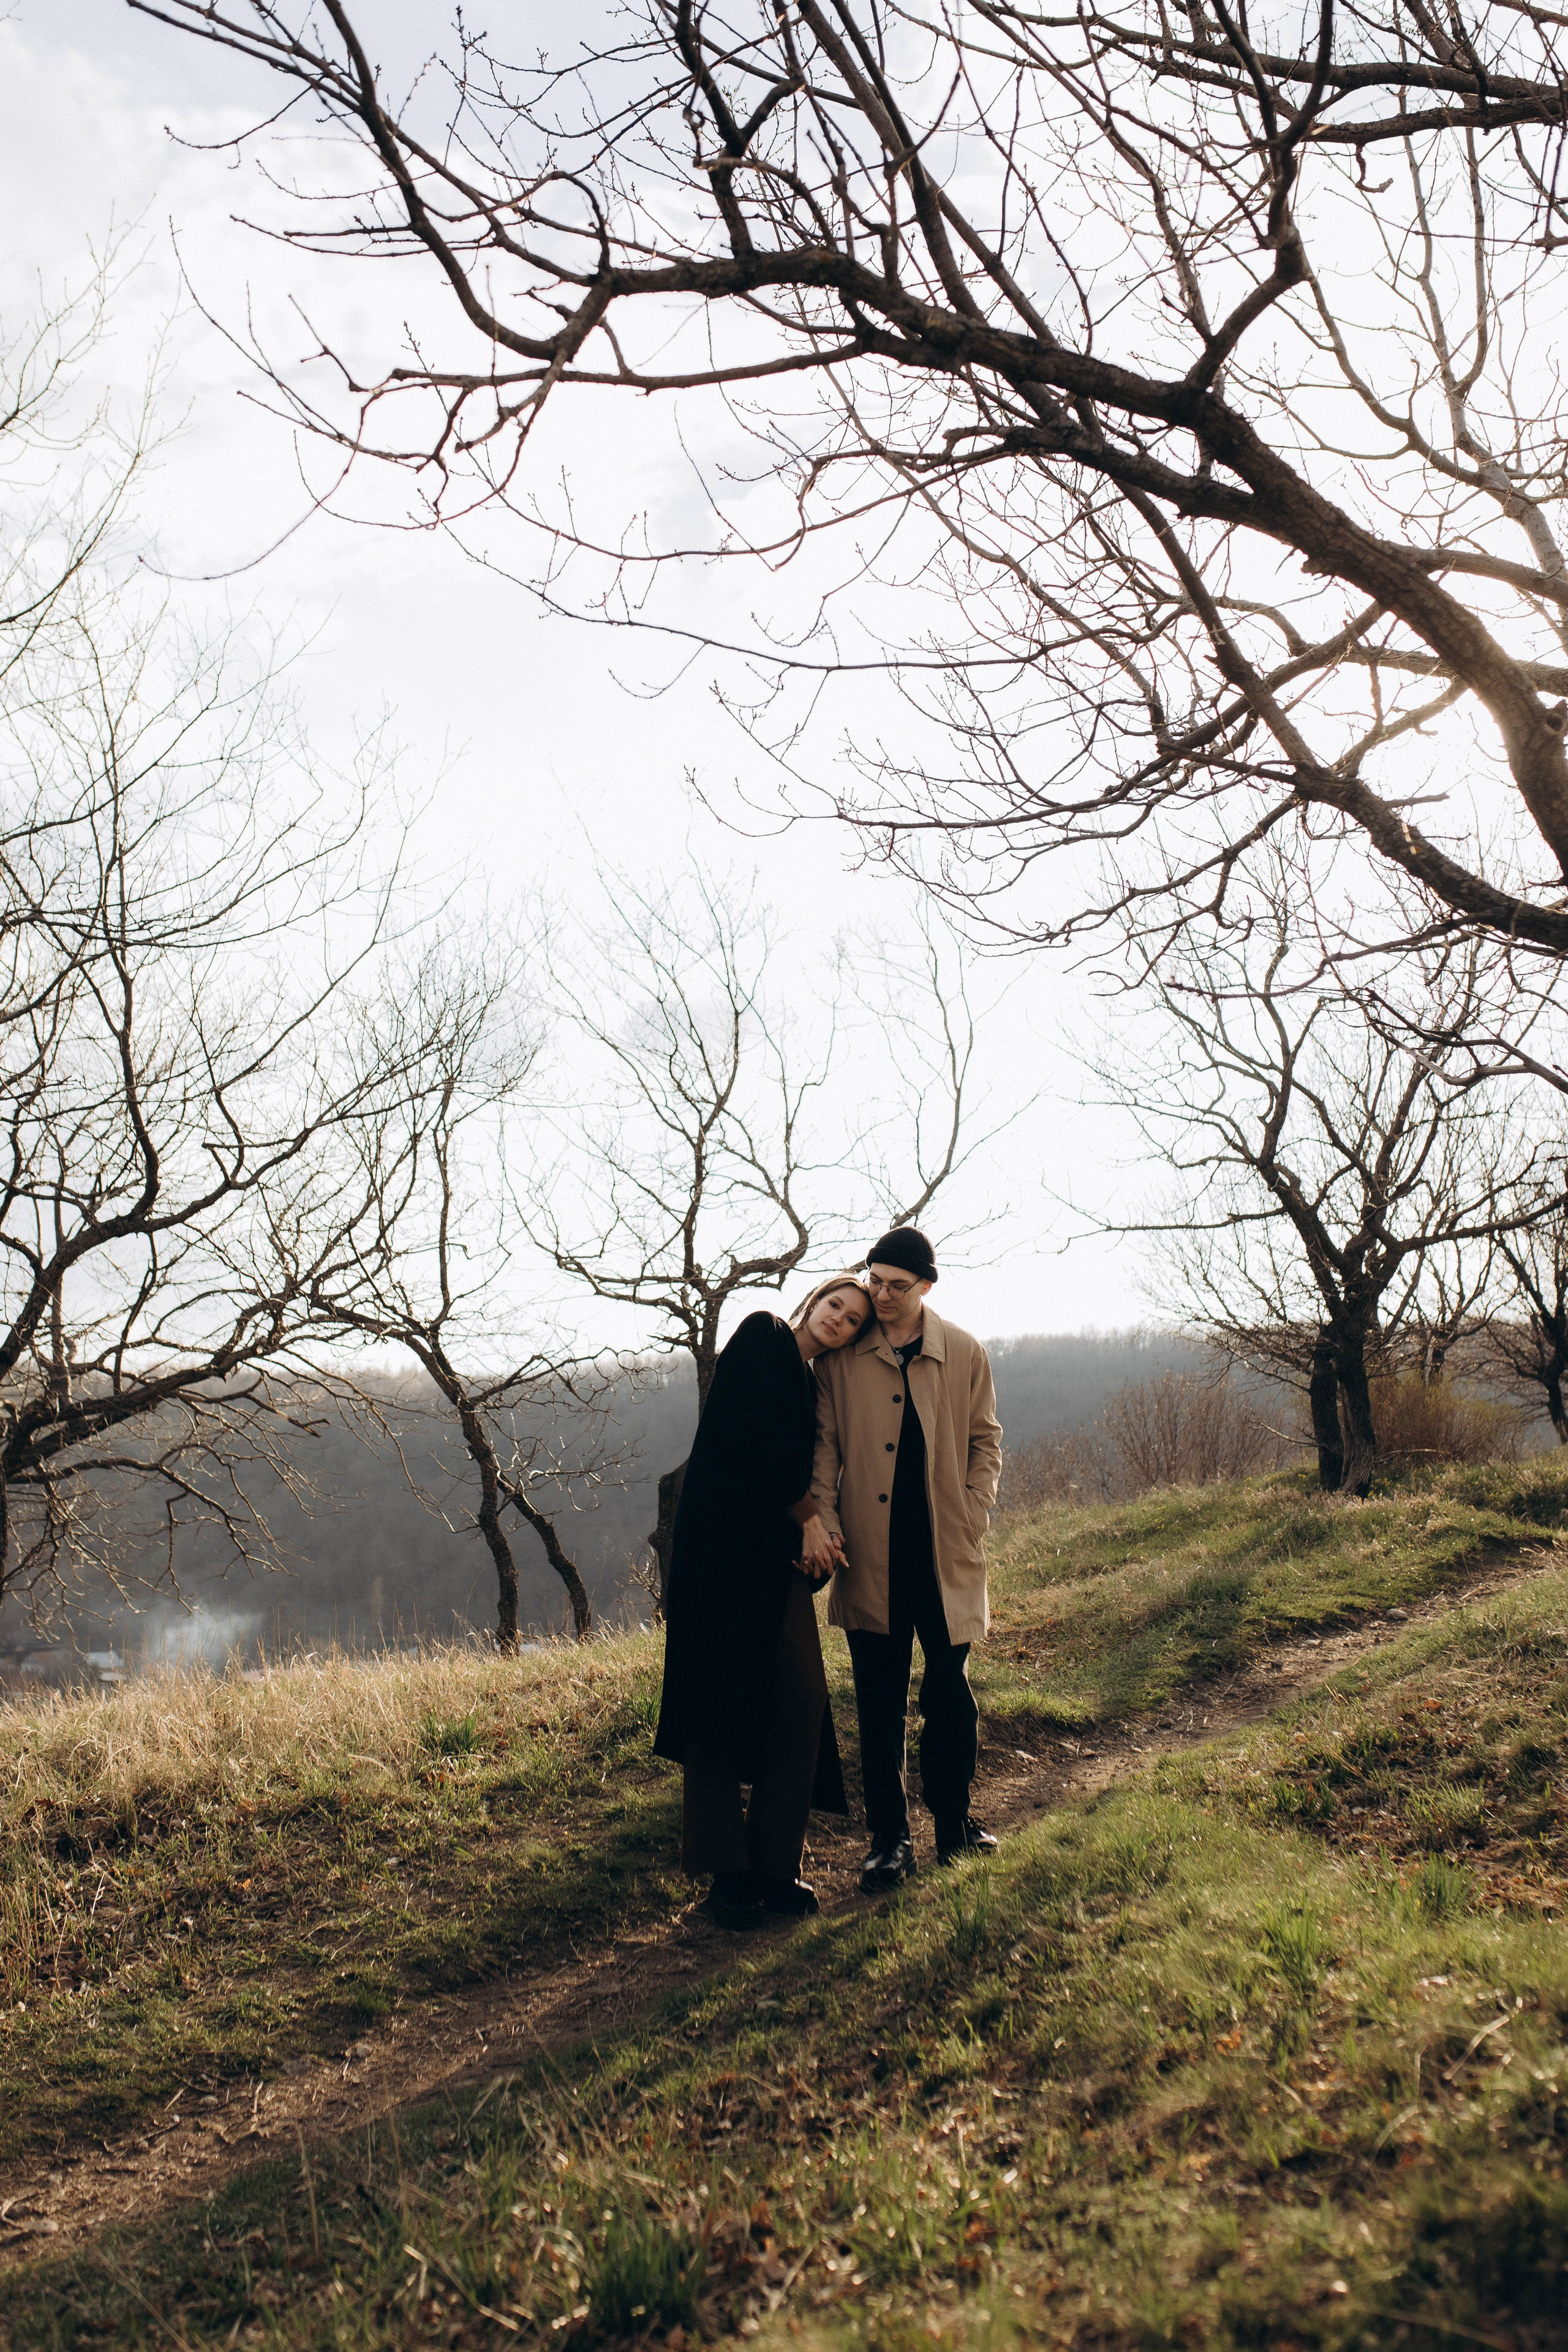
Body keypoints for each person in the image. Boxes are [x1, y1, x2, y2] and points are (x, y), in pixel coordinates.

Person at [653, 1275, 874, 1929]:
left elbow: (804, 1465)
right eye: (837, 1304)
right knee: (716, 1702)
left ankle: (778, 1866)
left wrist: (816, 1539)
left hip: (771, 1562)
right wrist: (807, 1518)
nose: (841, 1320)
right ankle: (728, 1878)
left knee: (802, 1696)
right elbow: (751, 1438)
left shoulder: (813, 1387)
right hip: (719, 1557)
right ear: (814, 1301)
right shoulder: (763, 1333)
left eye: (856, 1320)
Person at [810, 1226, 1003, 1892]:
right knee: (878, 1701)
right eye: (874, 1281)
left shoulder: (964, 1352)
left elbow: (986, 1440)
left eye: (897, 1285)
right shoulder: (839, 1360)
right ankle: (888, 1841)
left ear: (926, 1284)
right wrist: (827, 1525)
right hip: (869, 1555)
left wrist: (974, 1511)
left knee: (950, 1697)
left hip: (946, 1554)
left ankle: (955, 1824)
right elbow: (825, 1450)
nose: (881, 1295)